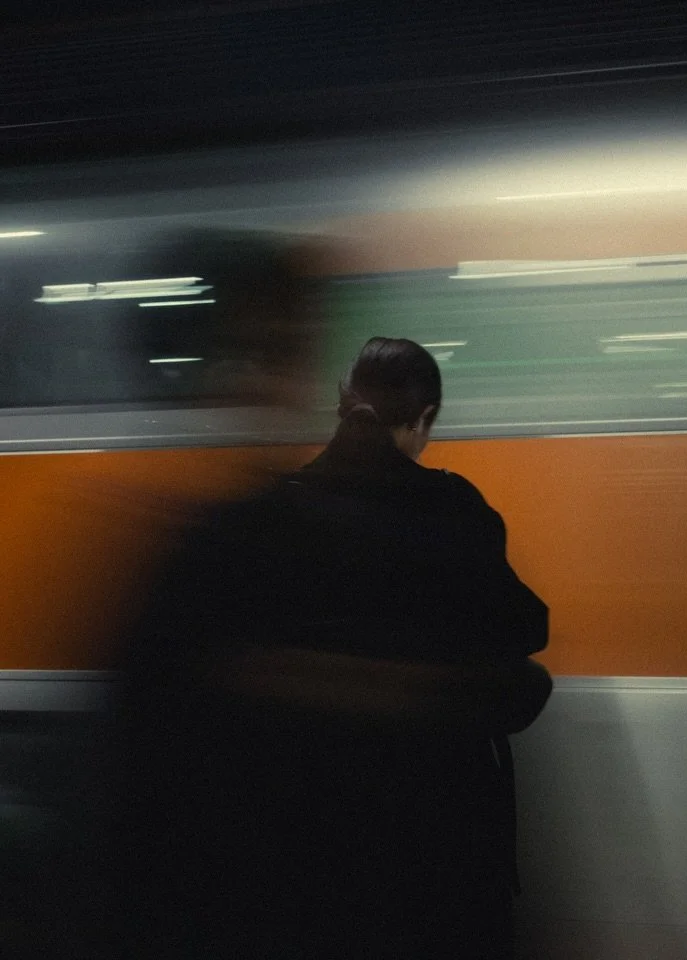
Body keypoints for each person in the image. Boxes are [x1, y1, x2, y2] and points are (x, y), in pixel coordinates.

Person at [112, 336, 550, 960]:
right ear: (423, 420)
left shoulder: (267, 519)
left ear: (342, 403)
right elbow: (525, 629)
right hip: (434, 846)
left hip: (303, 850)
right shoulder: (452, 508)